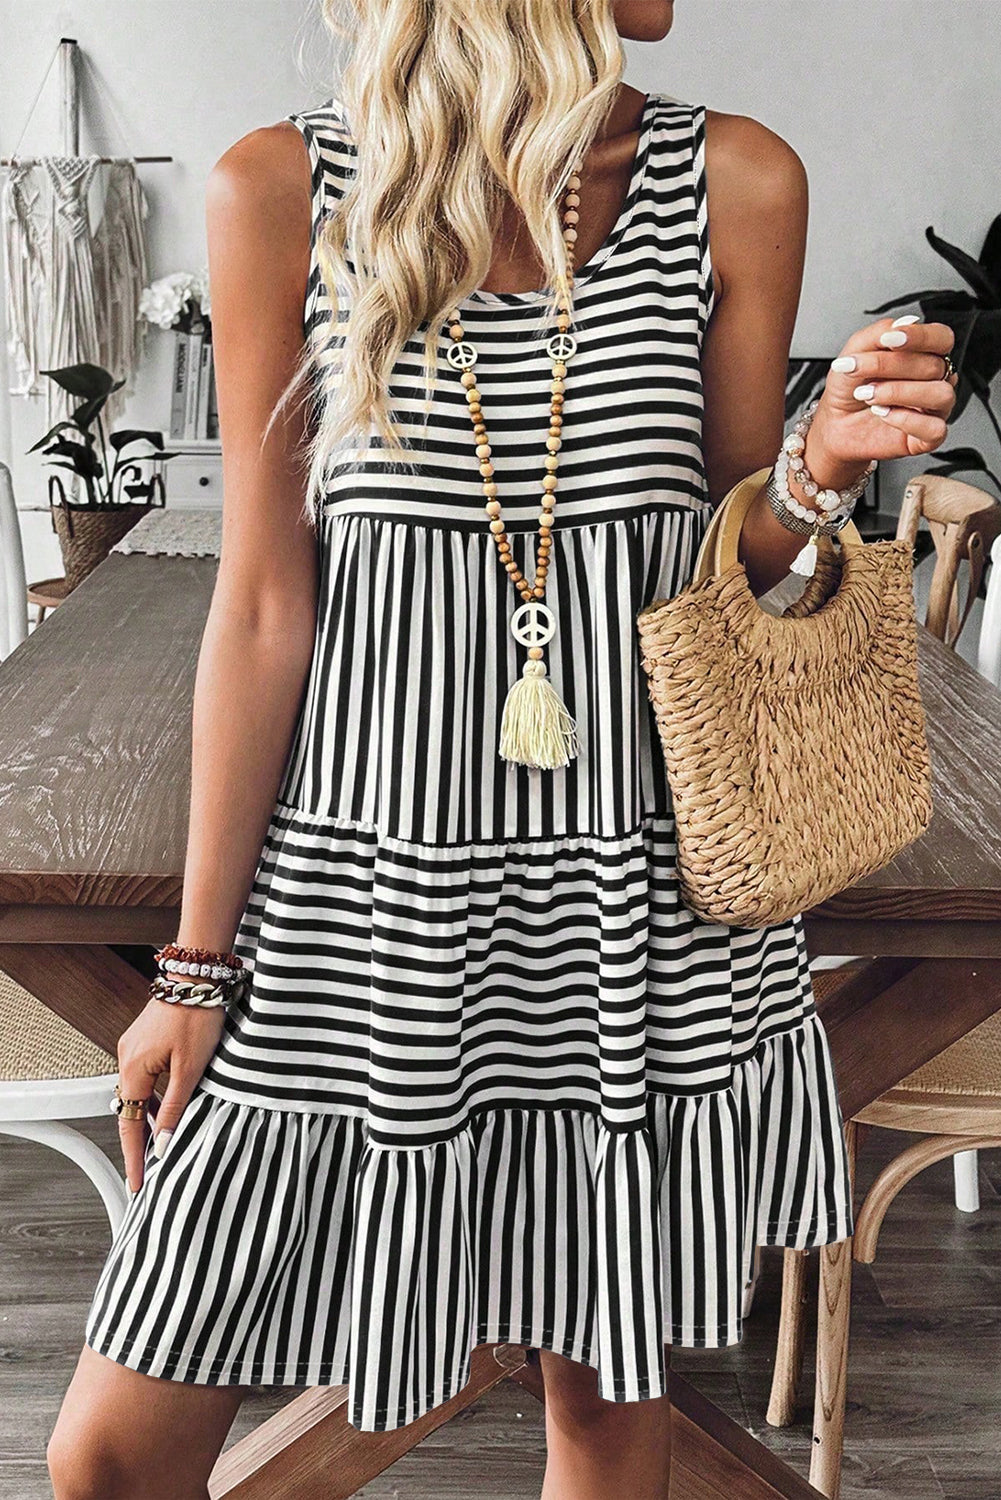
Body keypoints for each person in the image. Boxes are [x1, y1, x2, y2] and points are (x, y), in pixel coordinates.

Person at [46, 2, 956, 1497]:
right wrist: (197, 971)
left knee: (602, 1420)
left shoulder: (734, 179)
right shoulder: (280, 190)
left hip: (638, 907)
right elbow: (265, 609)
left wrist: (817, 469)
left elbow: (732, 560)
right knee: (110, 1463)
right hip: (359, 910)